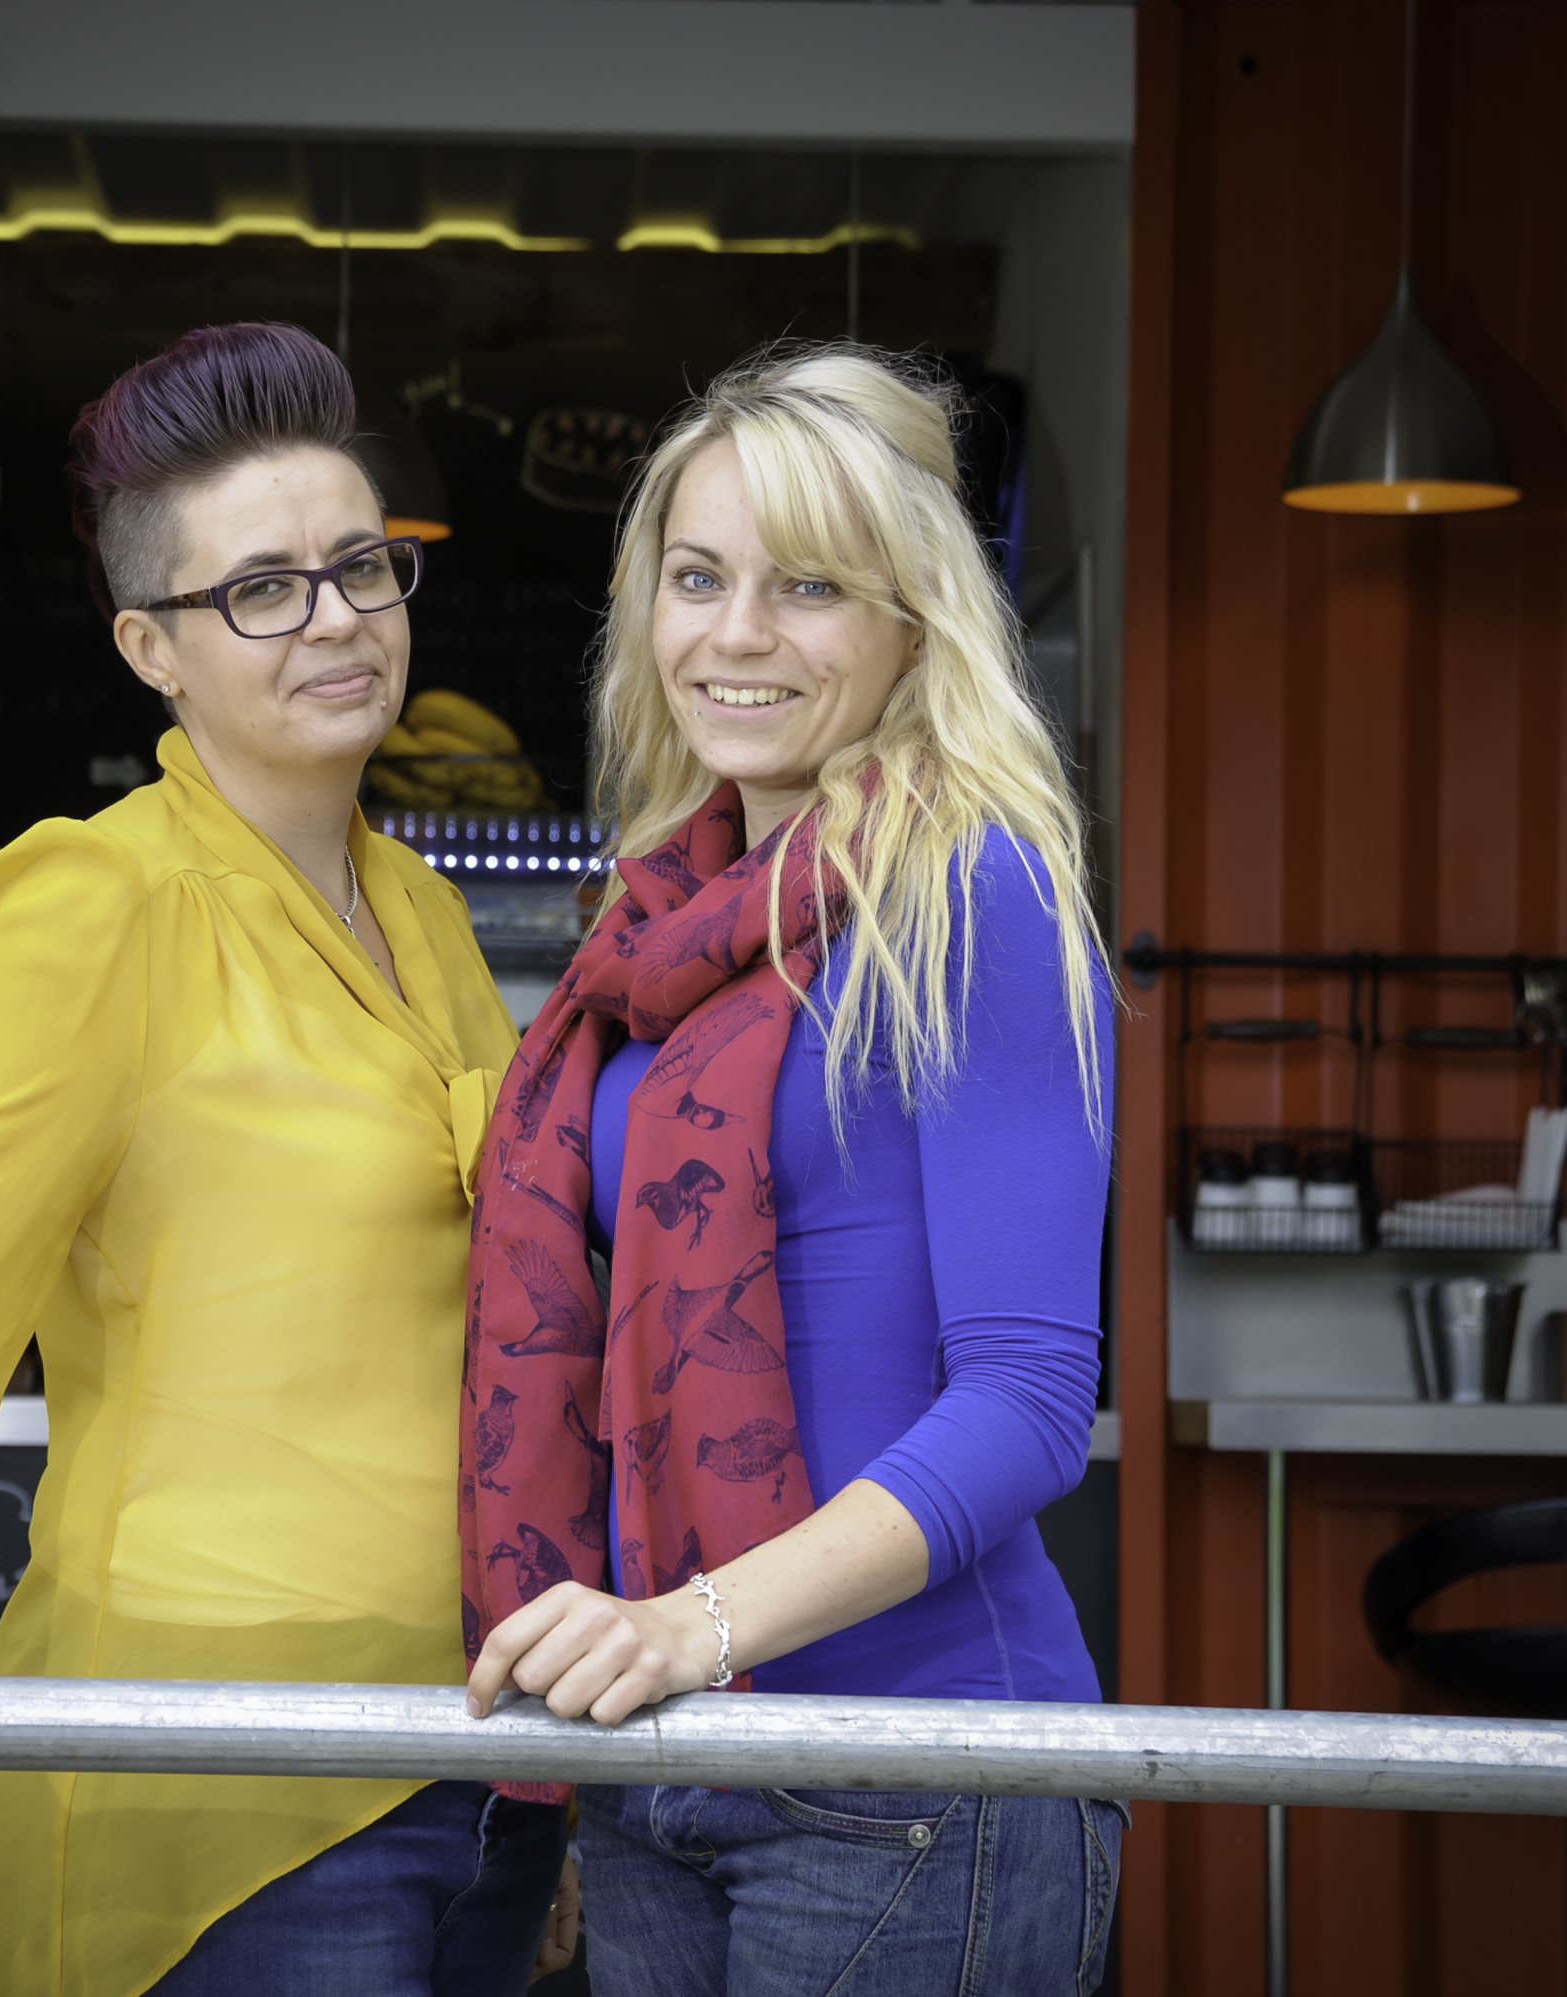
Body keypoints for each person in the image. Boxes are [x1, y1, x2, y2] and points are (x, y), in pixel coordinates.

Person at [0, 322, 573, 1997]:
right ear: (151, 648)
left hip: (481, 1746)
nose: (335, 616)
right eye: (260, 588)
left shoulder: (426, 913)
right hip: (222, 1771)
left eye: (361, 565)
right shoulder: (97, 903)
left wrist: (569, 1768)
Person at [460, 343, 1123, 1995]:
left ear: (913, 620)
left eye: (809, 585)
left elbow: (1031, 1397)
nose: (736, 632)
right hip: (671, 1761)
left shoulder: (969, 888)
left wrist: (689, 1623)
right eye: (698, 578)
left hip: (915, 1766)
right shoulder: (657, 933)